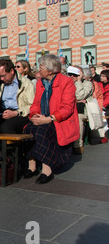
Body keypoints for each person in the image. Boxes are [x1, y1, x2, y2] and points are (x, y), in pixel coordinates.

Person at [23, 55, 79, 184]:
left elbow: (67, 107)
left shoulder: (66, 82)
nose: (38, 69)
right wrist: (34, 115)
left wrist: (49, 118)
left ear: (50, 70)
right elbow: (35, 103)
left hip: (59, 119)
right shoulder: (40, 82)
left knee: (43, 132)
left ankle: (46, 170)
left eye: (41, 67)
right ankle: (31, 167)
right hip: (42, 117)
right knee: (29, 129)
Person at [0, 59, 35, 134]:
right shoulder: (1, 84)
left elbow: (31, 105)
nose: (2, 79)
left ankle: (12, 145)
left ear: (11, 71)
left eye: (4, 76)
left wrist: (16, 112)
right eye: (0, 76)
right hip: (3, 112)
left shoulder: (26, 83)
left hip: (20, 114)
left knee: (6, 127)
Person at [67, 66, 93, 154]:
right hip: (70, 107)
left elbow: (79, 96)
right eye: (69, 74)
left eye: (74, 75)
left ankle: (78, 145)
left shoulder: (87, 84)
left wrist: (78, 81)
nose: (71, 76)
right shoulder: (68, 83)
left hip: (82, 110)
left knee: (78, 118)